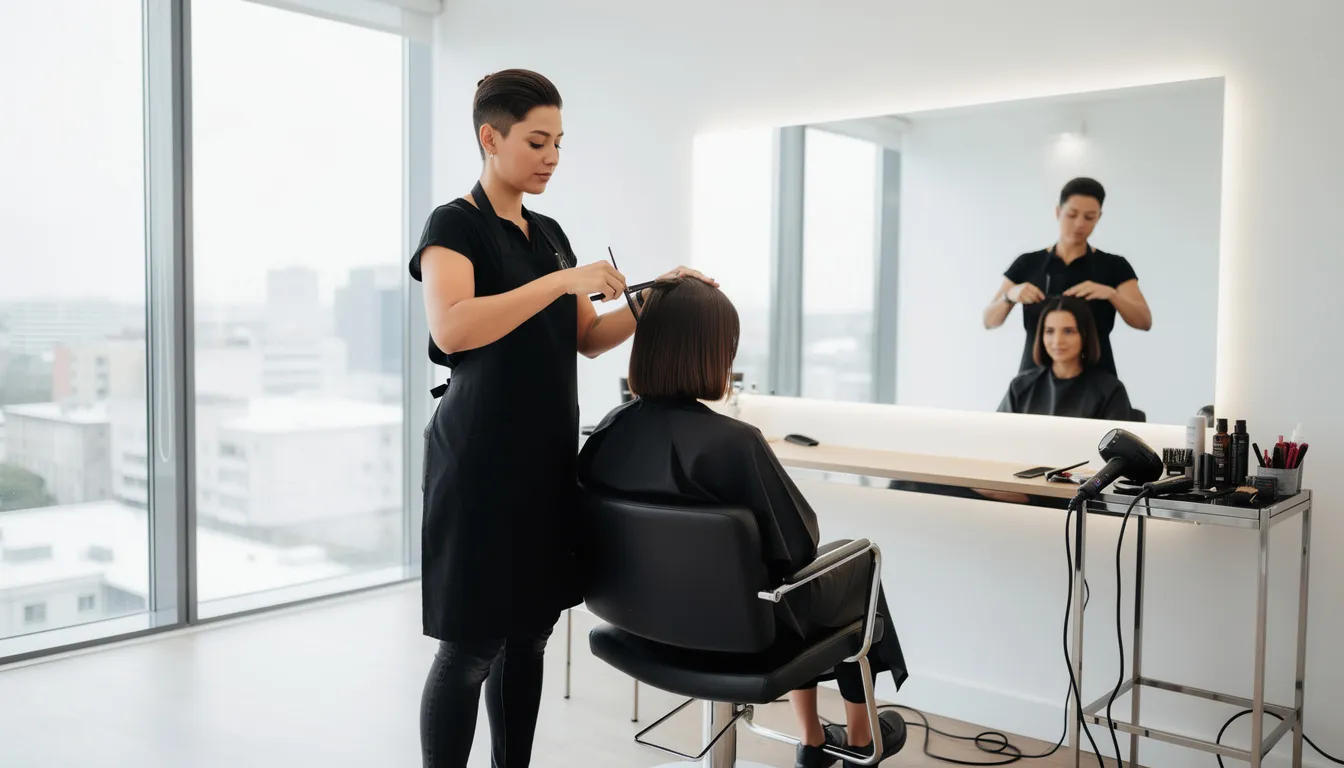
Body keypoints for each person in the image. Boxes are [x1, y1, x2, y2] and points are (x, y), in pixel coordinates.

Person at [410, 69, 715, 768]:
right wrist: (561, 281)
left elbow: (586, 336)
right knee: (470, 648)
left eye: (559, 143)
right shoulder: (453, 226)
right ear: (491, 137)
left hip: (544, 466)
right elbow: (452, 328)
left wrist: (659, 295)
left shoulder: (548, 232)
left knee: (529, 637)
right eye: (536, 141)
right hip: (478, 467)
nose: (551, 157)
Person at [577, 278, 909, 768]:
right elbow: (798, 548)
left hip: (640, 624)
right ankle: (855, 738)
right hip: (737, 638)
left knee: (801, 585)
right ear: (712, 354)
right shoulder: (735, 442)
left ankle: (816, 739)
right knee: (857, 566)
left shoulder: (608, 430)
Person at [983, 177, 1152, 377]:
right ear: (1058, 212)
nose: (1079, 224)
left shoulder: (1114, 266)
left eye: (1089, 217)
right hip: (1034, 381)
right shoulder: (1028, 263)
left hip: (1096, 383)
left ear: (1099, 217)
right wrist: (1009, 295)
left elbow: (1144, 322)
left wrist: (1111, 294)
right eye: (1072, 215)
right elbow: (989, 321)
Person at [997, 296, 1136, 421]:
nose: (1057, 341)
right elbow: (997, 436)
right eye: (1050, 331)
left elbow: (1116, 446)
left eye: (1068, 331)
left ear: (1085, 335)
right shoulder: (1020, 386)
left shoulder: (1110, 391)